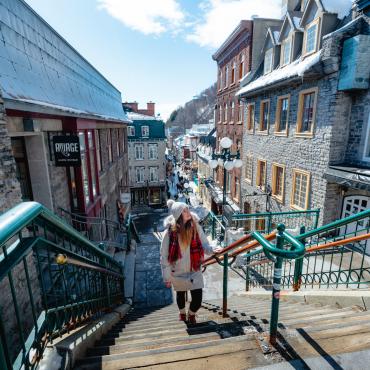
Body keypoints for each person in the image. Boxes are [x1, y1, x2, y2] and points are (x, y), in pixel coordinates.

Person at [160, 200, 222, 324]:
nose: (188, 211)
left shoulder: (195, 226)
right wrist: (167, 277)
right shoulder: (170, 233)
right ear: (178, 215)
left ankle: (192, 313)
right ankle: (182, 313)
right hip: (177, 271)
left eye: (187, 209)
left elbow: (204, 243)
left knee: (197, 299)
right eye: (184, 211)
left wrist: (212, 250)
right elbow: (164, 256)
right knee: (180, 296)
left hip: (194, 268)